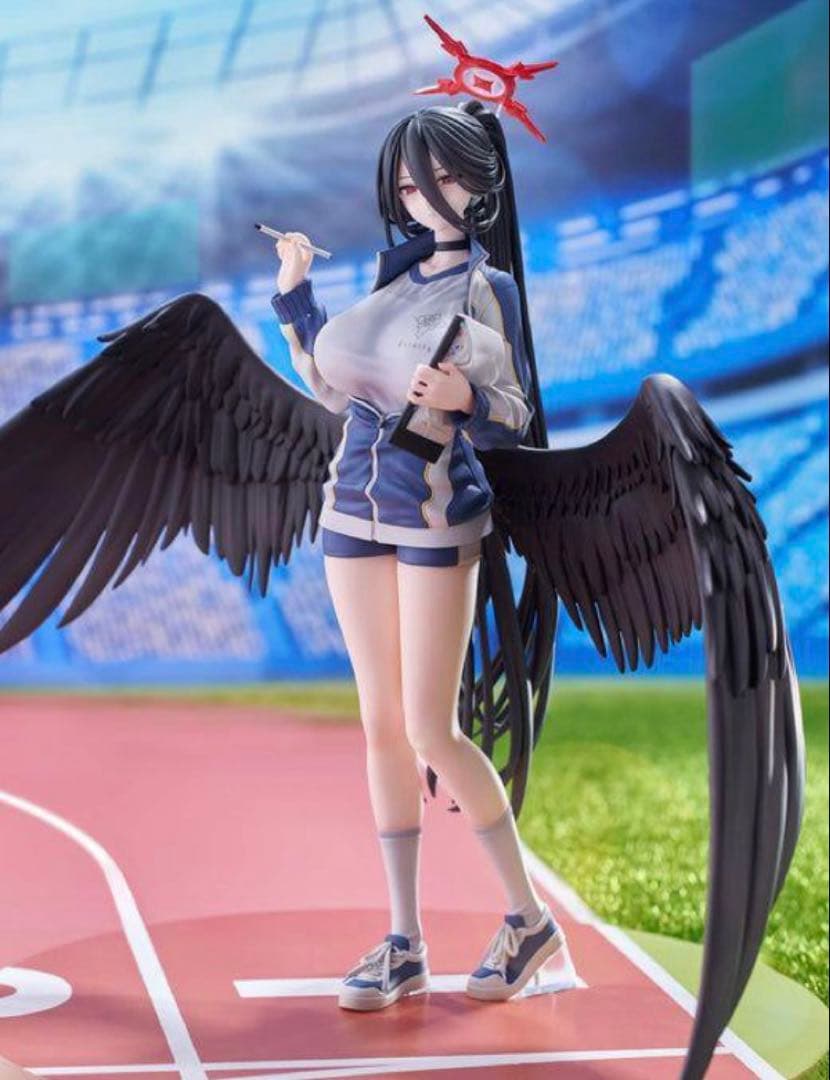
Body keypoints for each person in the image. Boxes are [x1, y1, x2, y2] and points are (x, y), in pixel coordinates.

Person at [270, 102, 568, 1011]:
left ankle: (529, 921)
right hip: (350, 508)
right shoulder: (389, 278)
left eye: (440, 178)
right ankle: (404, 939)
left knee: (433, 729)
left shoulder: (487, 287)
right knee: (380, 725)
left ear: (479, 184)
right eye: (408, 184)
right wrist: (295, 295)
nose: (423, 197)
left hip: (435, 514)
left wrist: (466, 396)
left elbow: (515, 412)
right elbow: (329, 386)